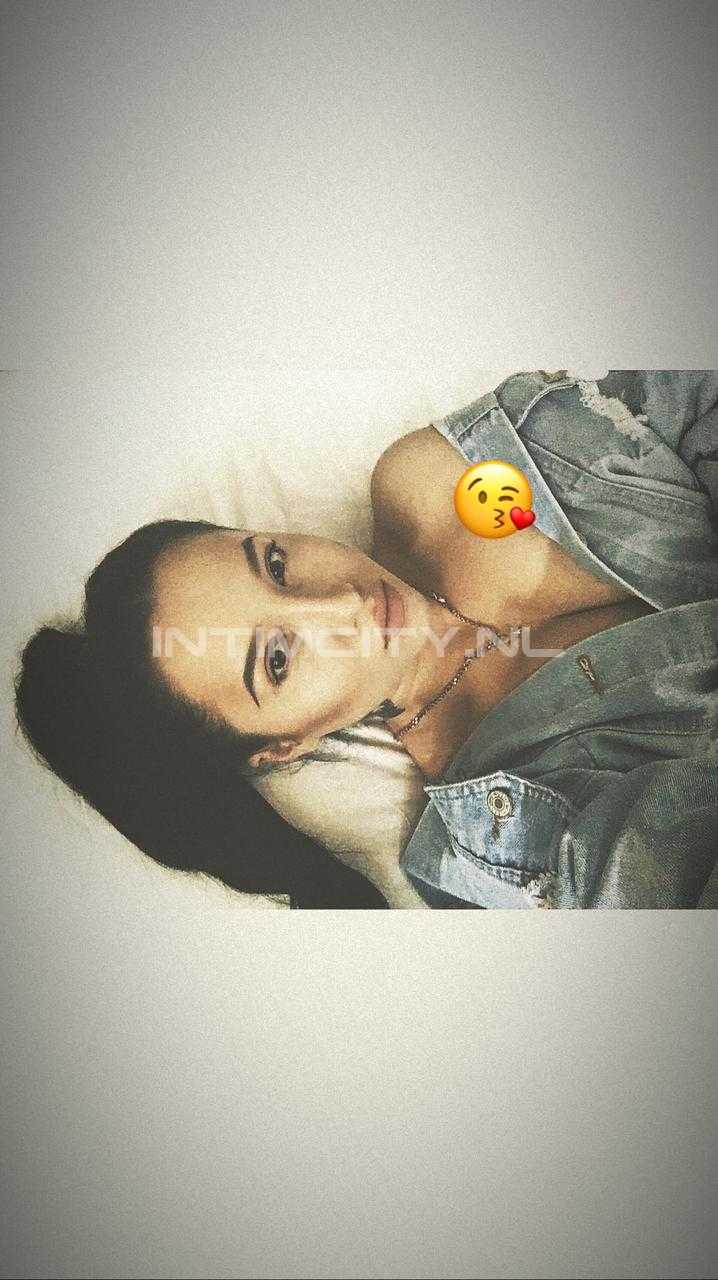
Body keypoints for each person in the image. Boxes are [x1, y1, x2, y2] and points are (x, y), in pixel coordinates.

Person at [14, 370, 718, 908]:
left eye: (277, 563)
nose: (343, 605)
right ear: (286, 745)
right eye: (278, 659)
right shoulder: (496, 840)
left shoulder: (433, 484)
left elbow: (683, 400)